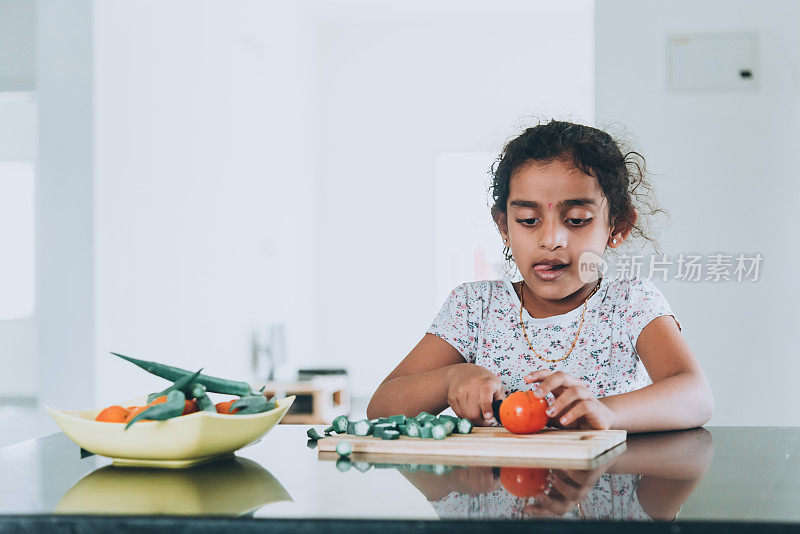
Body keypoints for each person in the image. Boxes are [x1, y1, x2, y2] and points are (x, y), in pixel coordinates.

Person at [367, 119, 713, 433]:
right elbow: (380, 408)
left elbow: (695, 396)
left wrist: (606, 413)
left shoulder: (629, 302)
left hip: (604, 495)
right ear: (504, 226)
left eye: (576, 219)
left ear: (617, 227)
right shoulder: (474, 308)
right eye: (528, 221)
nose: (550, 240)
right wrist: (450, 379)